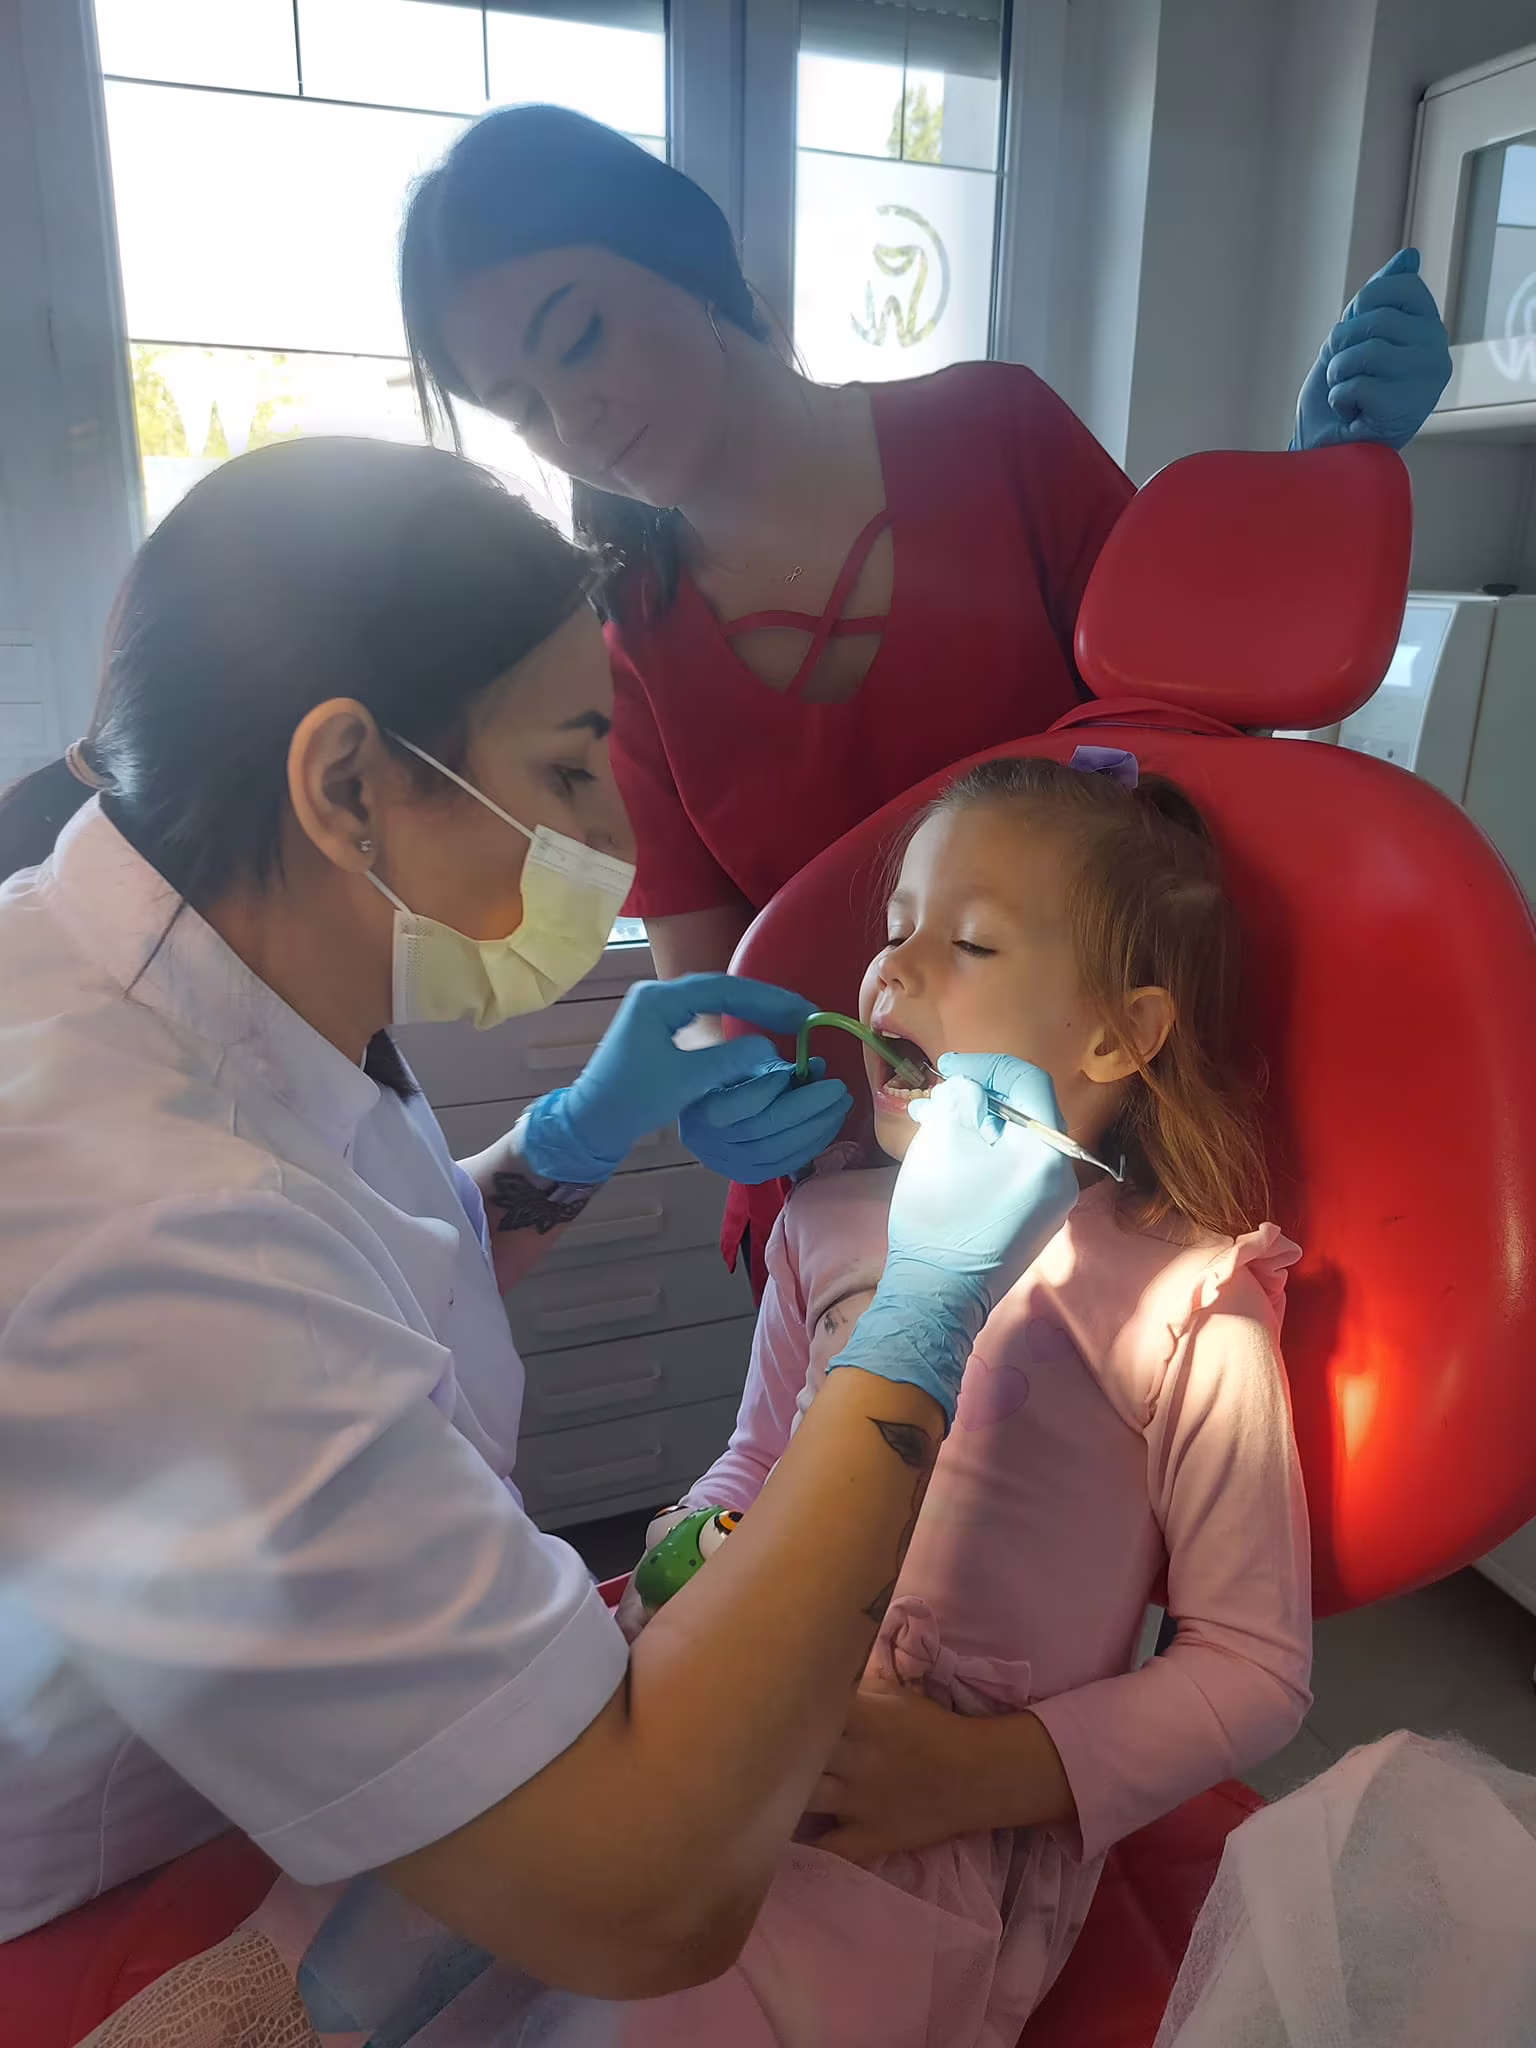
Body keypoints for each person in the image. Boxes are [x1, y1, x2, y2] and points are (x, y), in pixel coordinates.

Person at [0, 436, 1086, 2011]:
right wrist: (922, 1321)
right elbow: (645, 1894)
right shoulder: (139, 1222)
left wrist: (568, 1144)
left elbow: (352, 1272)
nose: (619, 854)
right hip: (110, 1891)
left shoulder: (160, 976)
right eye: (571, 775)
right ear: (345, 784)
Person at [397, 104, 1453, 1280]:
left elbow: (1203, 739)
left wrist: (1321, 484)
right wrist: (725, 1092)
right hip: (853, 1196)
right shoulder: (629, 653)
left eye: (581, 337)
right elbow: (711, 990)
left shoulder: (997, 438)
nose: (571, 420)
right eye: (519, 406)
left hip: (1116, 1152)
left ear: (685, 256)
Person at [516, 750, 1310, 2045]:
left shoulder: (1190, 1302)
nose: (891, 972)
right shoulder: (825, 1223)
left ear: (1120, 1034)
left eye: (970, 944)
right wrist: (676, 1561)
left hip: (927, 1825)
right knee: (475, 1886)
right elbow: (752, 1463)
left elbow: (1256, 1667)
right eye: (895, 931)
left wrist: (984, 1775)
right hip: (717, 1699)